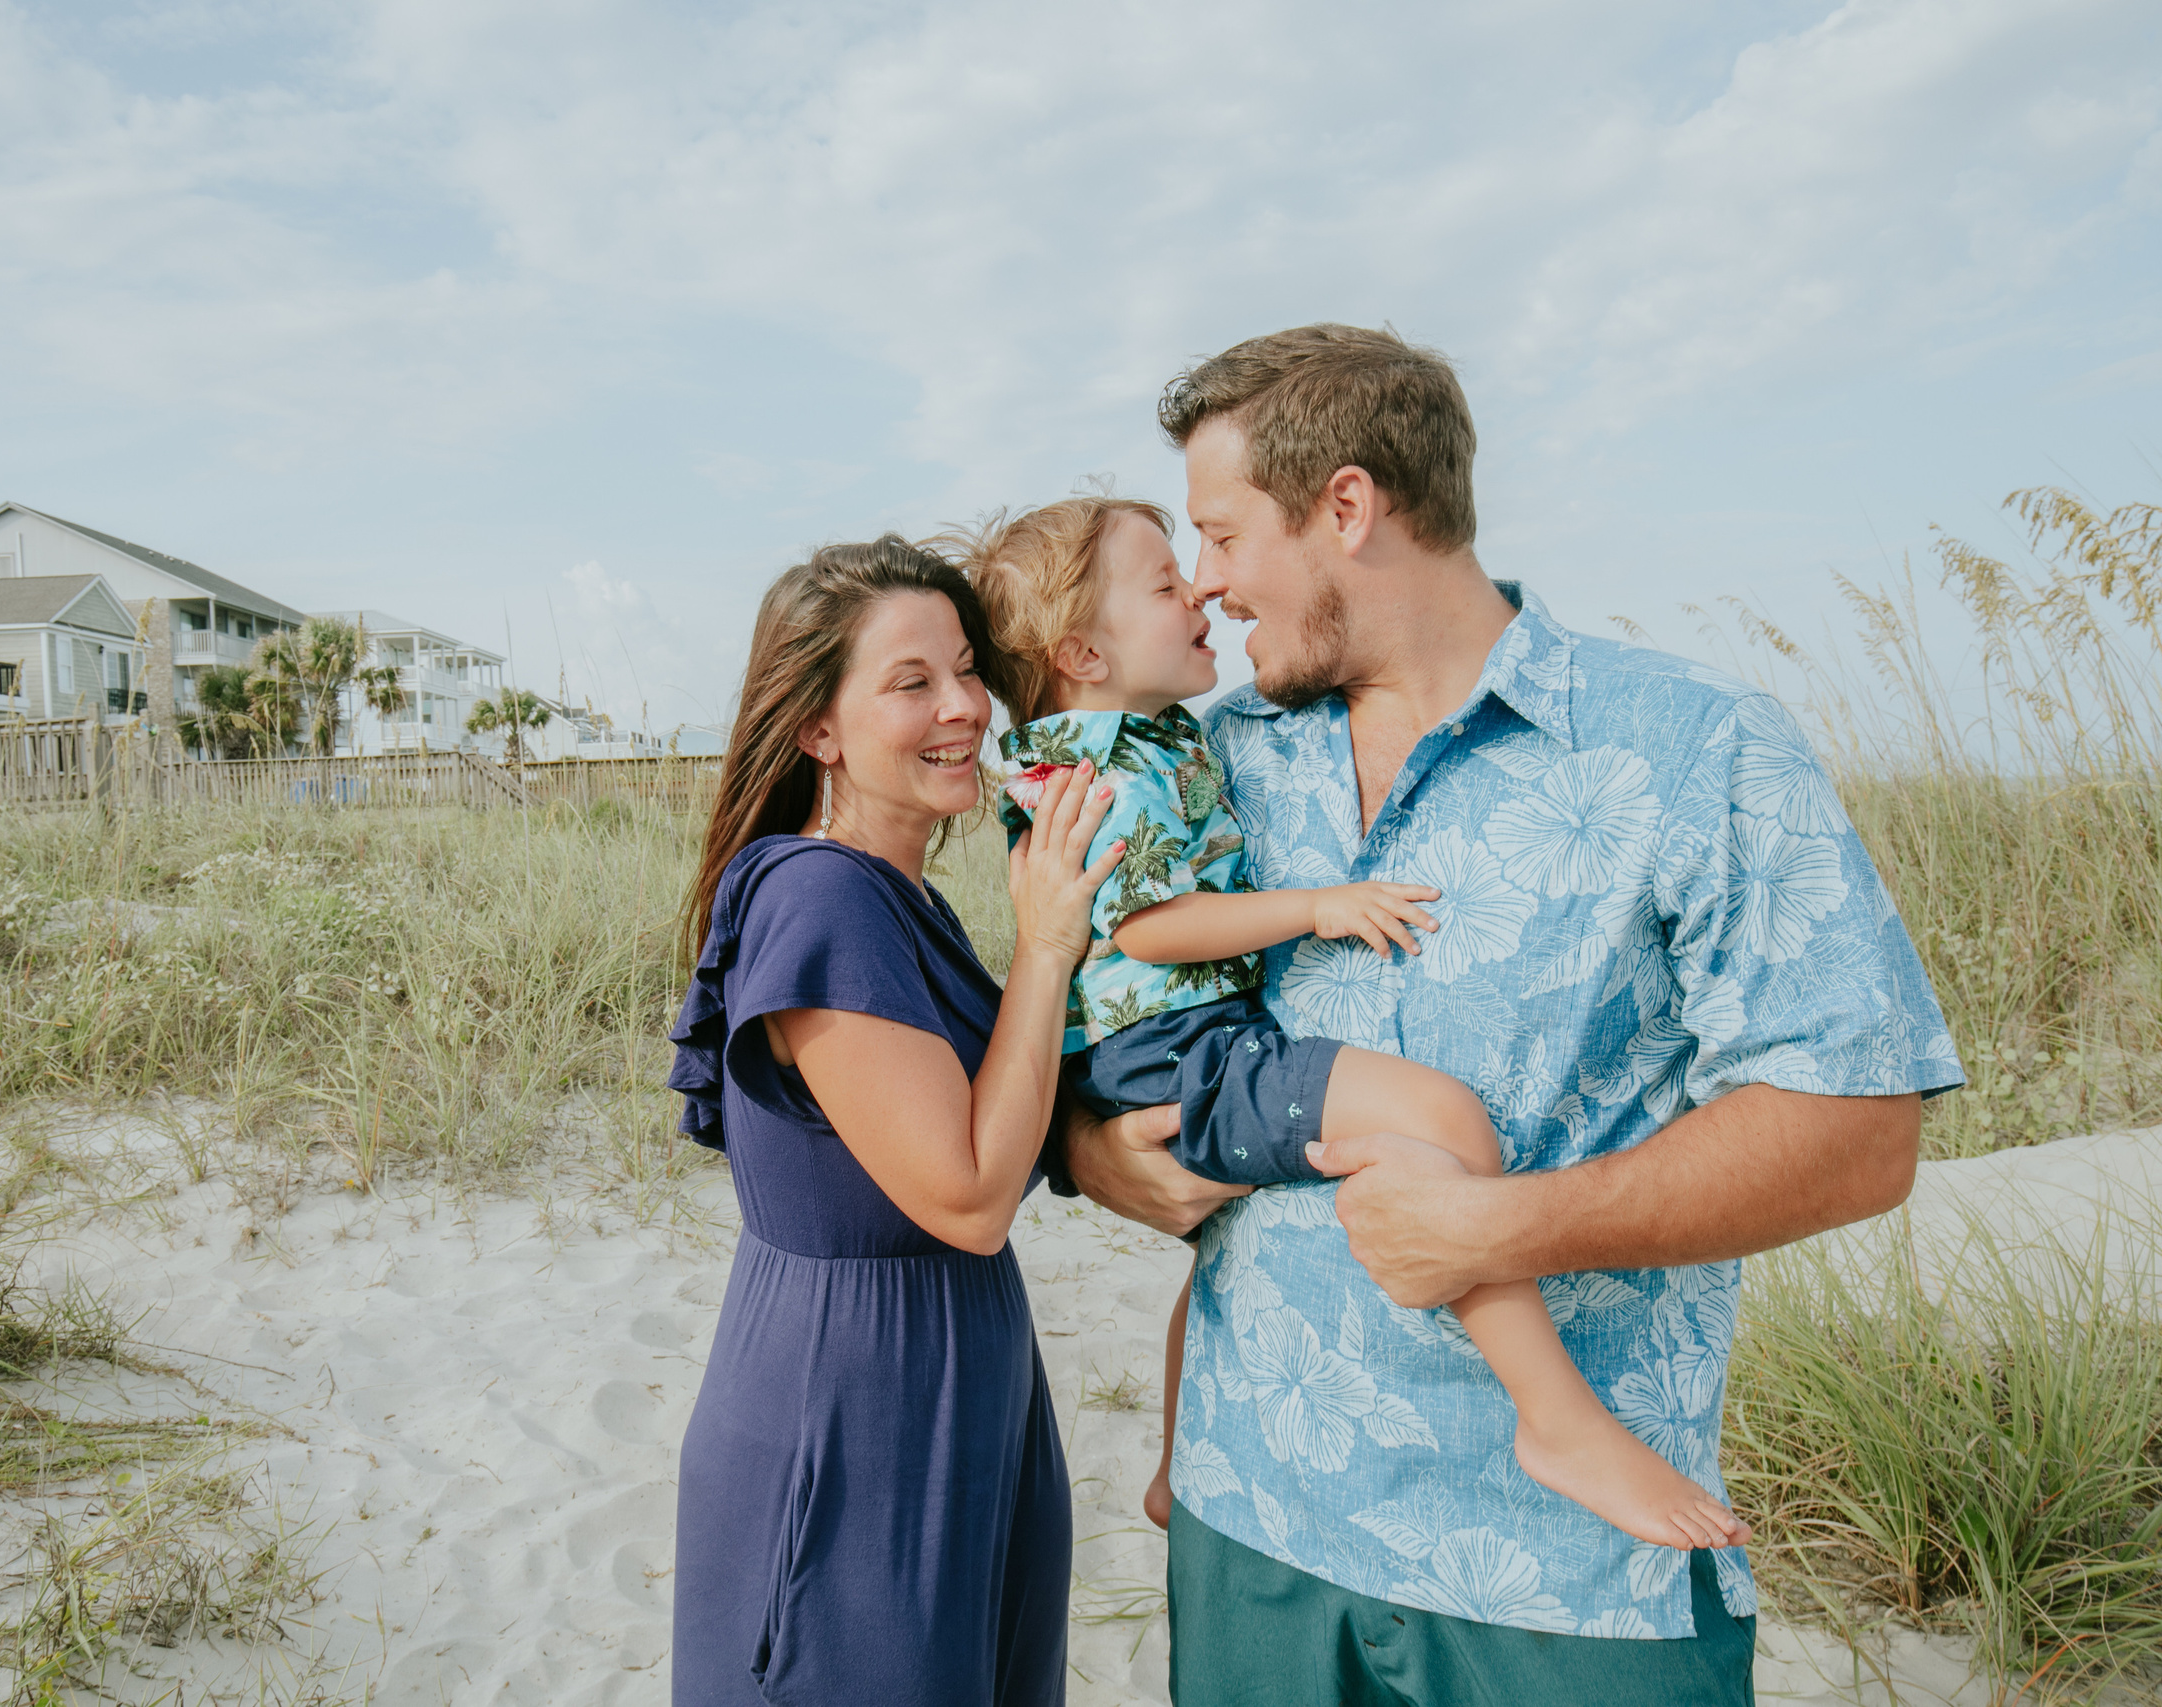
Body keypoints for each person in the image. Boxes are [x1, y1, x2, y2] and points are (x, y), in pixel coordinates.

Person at [1057, 325, 1964, 1706]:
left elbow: (1856, 1129)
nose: (1211, 580)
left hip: (1566, 1580)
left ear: (1348, 507)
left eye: (1226, 531)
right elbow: (1100, 985)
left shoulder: (1691, 743)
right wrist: (1086, 1143)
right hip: (1251, 1521)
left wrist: (1507, 1223)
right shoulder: (1210, 757)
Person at [948, 492, 1754, 1554]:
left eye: (1210, 551)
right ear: (1082, 653)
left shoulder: (1138, 738)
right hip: (1173, 1048)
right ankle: (1557, 1421)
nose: (1196, 586)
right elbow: (1147, 927)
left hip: (1156, 1048)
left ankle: (1170, 1465)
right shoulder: (1111, 766)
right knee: (1440, 1120)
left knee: (1221, 1249)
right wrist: (1319, 908)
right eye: (1163, 582)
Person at [665, 536, 1123, 1706]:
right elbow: (968, 1195)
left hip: (962, 1382)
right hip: (854, 1405)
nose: (964, 707)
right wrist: (1048, 943)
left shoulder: (896, 893)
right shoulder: (821, 899)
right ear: (818, 728)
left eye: (965, 670)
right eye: (910, 682)